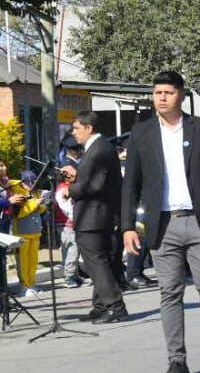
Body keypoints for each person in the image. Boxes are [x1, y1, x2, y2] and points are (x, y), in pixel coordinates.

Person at [121, 72, 200, 373]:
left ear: (181, 96)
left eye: (168, 92)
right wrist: (127, 227)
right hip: (162, 225)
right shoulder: (141, 133)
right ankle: (177, 360)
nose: (161, 98)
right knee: (169, 292)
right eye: (157, 92)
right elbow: (130, 185)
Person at [61, 111, 127, 323]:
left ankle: (115, 305)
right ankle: (100, 306)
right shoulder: (97, 149)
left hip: (95, 214)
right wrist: (76, 174)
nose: (74, 133)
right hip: (98, 213)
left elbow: (95, 184)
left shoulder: (99, 149)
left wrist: (70, 189)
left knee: (95, 263)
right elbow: (93, 177)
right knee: (99, 261)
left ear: (89, 128)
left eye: (77, 128)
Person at [11, 171, 47, 298]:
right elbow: (21, 212)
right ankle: (24, 286)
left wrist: (41, 204)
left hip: (35, 232)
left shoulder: (35, 192)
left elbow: (39, 210)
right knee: (23, 262)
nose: (31, 185)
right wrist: (35, 203)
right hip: (22, 233)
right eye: (28, 183)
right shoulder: (17, 193)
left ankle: (31, 284)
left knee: (33, 261)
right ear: (23, 182)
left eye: (33, 182)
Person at [53, 166, 81, 288]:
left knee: (70, 249)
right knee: (71, 250)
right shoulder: (63, 189)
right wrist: (75, 219)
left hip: (69, 223)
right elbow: (67, 208)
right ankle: (69, 277)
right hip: (67, 224)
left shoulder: (69, 187)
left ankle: (73, 274)